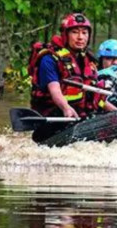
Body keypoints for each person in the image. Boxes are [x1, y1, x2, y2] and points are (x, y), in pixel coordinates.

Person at [28, 13, 99, 142]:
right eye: (75, 32)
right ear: (65, 35)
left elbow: (97, 93)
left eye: (84, 33)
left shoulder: (89, 61)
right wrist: (66, 108)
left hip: (81, 117)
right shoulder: (49, 59)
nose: (80, 37)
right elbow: (55, 90)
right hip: (57, 117)